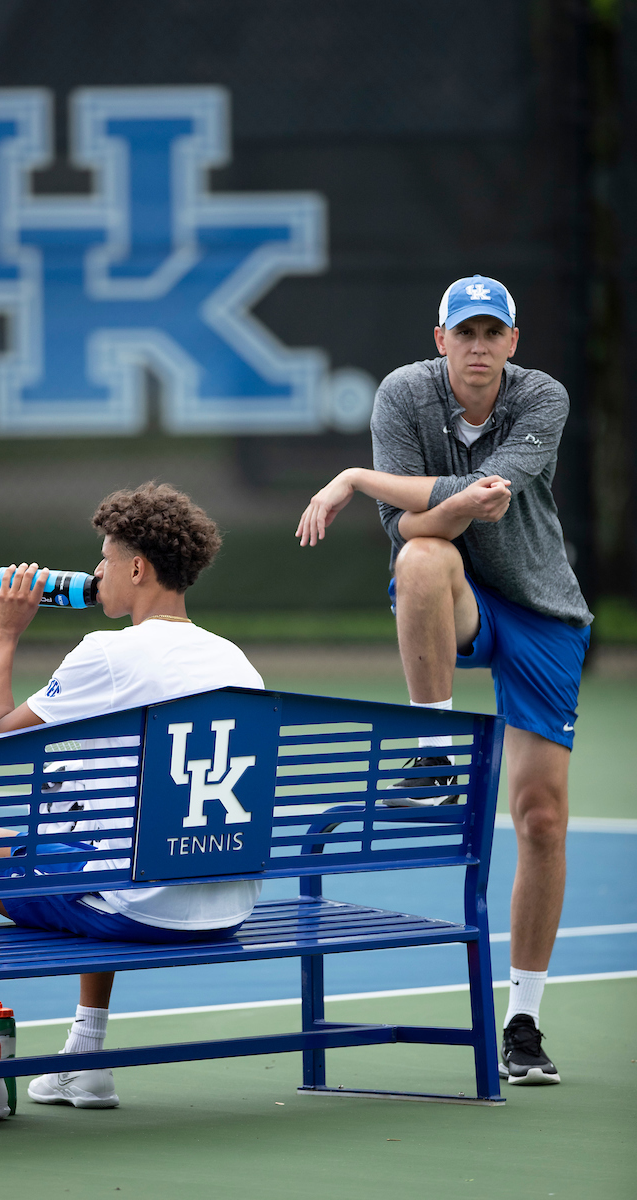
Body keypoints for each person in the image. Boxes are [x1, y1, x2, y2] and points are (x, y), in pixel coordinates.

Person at [295, 275, 592, 1087]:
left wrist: (355, 479)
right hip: (455, 595)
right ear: (440, 340)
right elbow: (416, 531)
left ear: (513, 345)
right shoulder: (403, 397)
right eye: (465, 332)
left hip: (541, 613)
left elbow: (488, 498)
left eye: (493, 333)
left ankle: (523, 1020)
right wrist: (420, 503)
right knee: (422, 558)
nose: (478, 347)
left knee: (539, 818)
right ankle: (434, 749)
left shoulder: (543, 399)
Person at [0, 483, 264, 1113]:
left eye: (103, 561)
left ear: (137, 568)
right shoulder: (236, 660)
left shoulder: (108, 653)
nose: (95, 575)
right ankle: (85, 1059)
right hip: (225, 904)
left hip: (142, 907)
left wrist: (5, 632)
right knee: (101, 838)